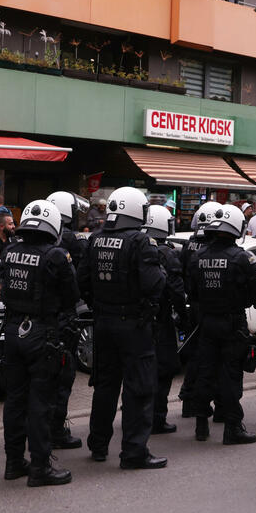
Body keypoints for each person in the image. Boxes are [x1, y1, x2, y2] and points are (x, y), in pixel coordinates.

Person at [78, 187, 167, 469]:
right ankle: (133, 452)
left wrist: (100, 305)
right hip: (133, 325)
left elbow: (83, 282)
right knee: (138, 388)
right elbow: (154, 284)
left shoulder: (95, 239)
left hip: (103, 322)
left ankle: (98, 444)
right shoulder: (141, 242)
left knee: (104, 386)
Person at [0, 199, 80, 486]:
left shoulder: (10, 251)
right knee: (40, 403)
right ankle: (40, 467)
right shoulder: (56, 255)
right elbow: (71, 296)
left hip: (12, 331)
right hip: (43, 333)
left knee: (15, 401)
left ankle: (13, 462)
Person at [187, 204, 256, 445]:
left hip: (207, 322)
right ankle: (232, 428)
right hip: (232, 323)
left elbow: (192, 293)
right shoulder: (241, 258)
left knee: (205, 372)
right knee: (231, 375)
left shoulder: (197, 256)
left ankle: (201, 424)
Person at [45, 190, 90, 449]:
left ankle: (41, 428)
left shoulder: (32, 240)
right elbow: (78, 280)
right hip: (64, 319)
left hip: (40, 320)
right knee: (62, 377)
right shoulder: (70, 239)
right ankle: (56, 431)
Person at [178, 201, 225, 420]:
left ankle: (189, 401)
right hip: (210, 307)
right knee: (211, 359)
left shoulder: (190, 244)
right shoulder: (212, 249)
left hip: (194, 304)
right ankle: (212, 403)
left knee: (195, 356)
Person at [142, 204, 187, 434]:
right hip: (161, 320)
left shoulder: (137, 247)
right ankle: (157, 418)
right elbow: (177, 291)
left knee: (140, 370)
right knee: (165, 368)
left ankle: (140, 416)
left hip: (138, 319)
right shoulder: (167, 253)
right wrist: (184, 317)